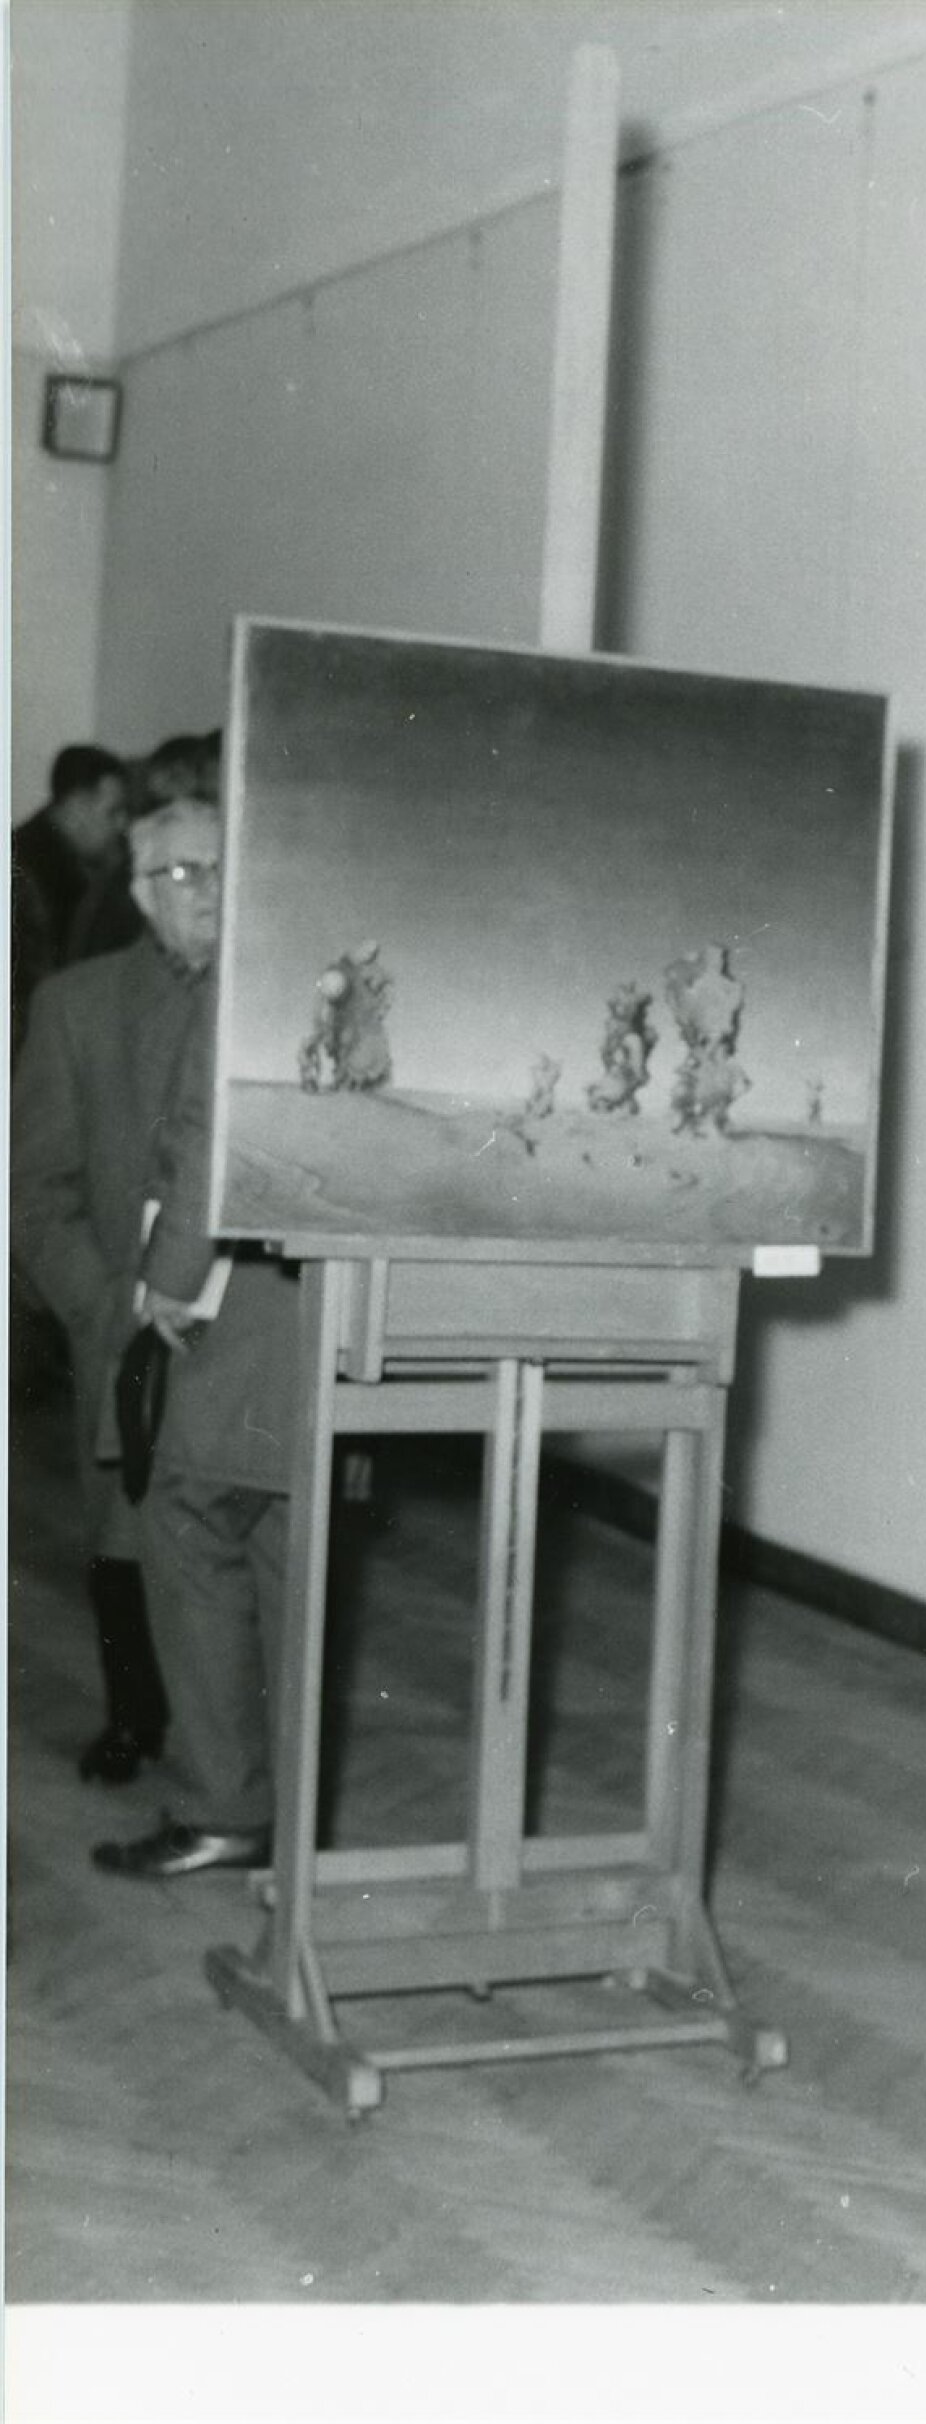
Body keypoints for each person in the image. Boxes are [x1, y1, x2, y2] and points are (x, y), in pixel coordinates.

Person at [91, 873, 298, 1882]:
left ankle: (228, 1811)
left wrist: (167, 1280)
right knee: (289, 1542)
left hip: (243, 1304)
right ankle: (296, 1820)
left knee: (190, 1514)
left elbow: (209, 1137)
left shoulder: (259, 952)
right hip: (331, 1310)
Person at [10, 797, 221, 1783]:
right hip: (123, 1320)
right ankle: (135, 1717)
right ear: (140, 892)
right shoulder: (78, 1005)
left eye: (223, 869)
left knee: (231, 1544)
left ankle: (232, 1746)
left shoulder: (276, 1005)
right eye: (185, 873)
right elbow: (33, 1190)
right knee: (124, 1531)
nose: (210, 891)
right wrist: (102, 1305)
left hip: (244, 1326)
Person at [11, 743, 140, 1054]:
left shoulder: (48, 862)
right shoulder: (32, 878)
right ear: (77, 807)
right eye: (113, 811)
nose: (123, 824)